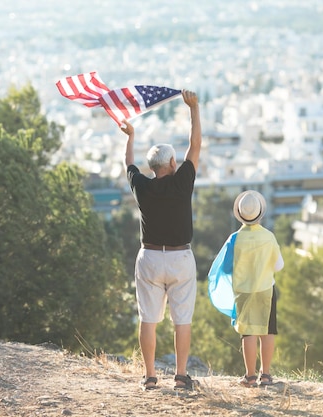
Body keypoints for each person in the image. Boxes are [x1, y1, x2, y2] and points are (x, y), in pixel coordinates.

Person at [120, 89, 201, 391]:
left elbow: (128, 164)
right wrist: (194, 108)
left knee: (148, 319)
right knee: (182, 320)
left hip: (150, 257)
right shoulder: (183, 182)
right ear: (169, 164)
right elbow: (196, 144)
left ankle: (150, 376)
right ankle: (180, 375)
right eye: (175, 161)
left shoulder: (142, 186)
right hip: (180, 258)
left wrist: (130, 136)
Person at [207, 190, 284, 388]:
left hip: (243, 292)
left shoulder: (234, 239)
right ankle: (265, 375)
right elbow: (279, 266)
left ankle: (250, 376)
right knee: (267, 332)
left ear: (240, 215)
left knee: (247, 333)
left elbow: (224, 267)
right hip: (266, 290)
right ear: (261, 213)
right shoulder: (269, 237)